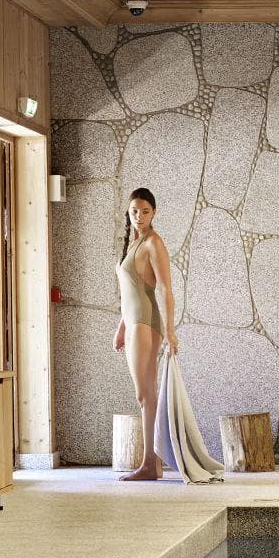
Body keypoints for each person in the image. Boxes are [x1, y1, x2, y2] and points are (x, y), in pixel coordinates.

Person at [114, 186, 178, 481]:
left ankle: (150, 463)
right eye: (134, 211)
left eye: (145, 212)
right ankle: (152, 462)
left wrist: (170, 330)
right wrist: (121, 327)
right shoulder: (134, 243)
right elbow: (130, 291)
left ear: (154, 213)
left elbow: (164, 288)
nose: (139, 217)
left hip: (146, 322)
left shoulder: (153, 243)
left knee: (145, 395)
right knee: (145, 393)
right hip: (134, 321)